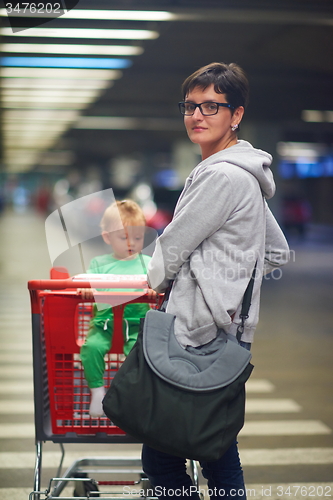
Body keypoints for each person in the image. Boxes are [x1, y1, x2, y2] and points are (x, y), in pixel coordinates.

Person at [142, 62, 290, 499]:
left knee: (168, 458)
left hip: (199, 335)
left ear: (236, 115)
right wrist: (227, 285)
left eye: (211, 106)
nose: (197, 115)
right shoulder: (245, 174)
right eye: (190, 106)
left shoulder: (220, 175)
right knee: (214, 448)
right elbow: (276, 249)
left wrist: (200, 286)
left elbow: (172, 248)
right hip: (228, 335)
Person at [79, 199, 155, 417]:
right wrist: (87, 291)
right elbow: (86, 286)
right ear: (107, 237)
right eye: (124, 237)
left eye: (138, 237)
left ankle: (129, 396)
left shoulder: (148, 263)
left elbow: (160, 286)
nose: (131, 243)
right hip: (104, 321)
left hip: (136, 324)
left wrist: (153, 290)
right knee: (91, 347)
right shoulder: (98, 264)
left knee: (139, 356)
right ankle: (97, 392)